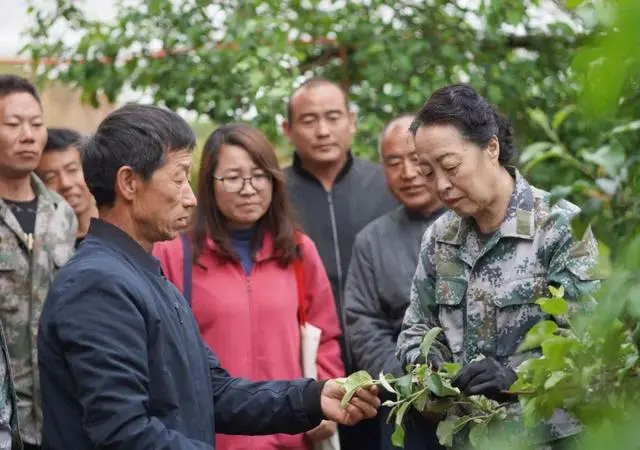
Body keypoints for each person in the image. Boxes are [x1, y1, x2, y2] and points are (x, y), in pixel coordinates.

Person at [38, 104, 381, 450]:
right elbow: (125, 434)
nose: (190, 198)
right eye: (179, 178)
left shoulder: (144, 275)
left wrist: (312, 397)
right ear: (129, 182)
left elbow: (212, 390)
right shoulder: (99, 285)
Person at [396, 84, 601, 449]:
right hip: (467, 438)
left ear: (491, 148)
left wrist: (514, 377)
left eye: (450, 166)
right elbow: (415, 330)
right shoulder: (440, 239)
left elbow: (590, 342)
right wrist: (430, 372)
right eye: (428, 173)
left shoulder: (559, 227)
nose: (441, 185)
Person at [154, 123, 345, 450]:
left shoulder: (298, 251)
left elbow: (325, 334)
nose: (248, 188)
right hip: (209, 439)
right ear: (209, 183)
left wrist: (322, 398)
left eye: (259, 175)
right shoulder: (176, 253)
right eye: (232, 177)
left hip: (292, 434)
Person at [344, 115, 446, 450]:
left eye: (416, 160)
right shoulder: (372, 241)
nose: (408, 173)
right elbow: (363, 325)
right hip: (408, 413)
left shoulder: (474, 223)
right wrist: (411, 386)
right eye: (393, 162)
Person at [0, 74, 77, 450]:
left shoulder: (63, 215)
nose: (28, 135)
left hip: (57, 412)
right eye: (13, 125)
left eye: (36, 123)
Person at [35, 127, 98, 245]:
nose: (65, 183)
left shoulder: (118, 232)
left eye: (72, 170)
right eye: (50, 177)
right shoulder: (43, 246)